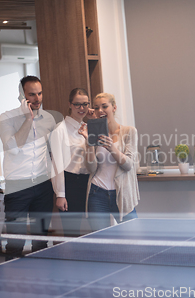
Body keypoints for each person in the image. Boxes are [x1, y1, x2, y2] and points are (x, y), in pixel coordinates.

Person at [0, 76, 56, 259]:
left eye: (39, 93)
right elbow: (13, 148)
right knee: (15, 241)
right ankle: (12, 284)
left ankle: (43, 283)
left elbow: (55, 151)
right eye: (32, 94)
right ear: (22, 96)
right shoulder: (7, 118)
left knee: (41, 241)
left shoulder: (49, 119)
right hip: (17, 186)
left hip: (43, 185)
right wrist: (28, 119)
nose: (37, 98)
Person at [80, 93, 140, 231]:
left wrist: (112, 148)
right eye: (96, 108)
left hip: (122, 193)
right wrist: (89, 142)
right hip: (97, 193)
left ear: (114, 108)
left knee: (133, 238)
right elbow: (91, 168)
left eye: (104, 106)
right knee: (101, 241)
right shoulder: (94, 133)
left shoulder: (129, 131)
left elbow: (129, 165)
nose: (100, 110)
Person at [50, 88, 95, 236]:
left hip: (88, 183)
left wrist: (94, 118)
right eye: (77, 104)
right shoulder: (60, 130)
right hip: (70, 184)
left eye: (85, 104)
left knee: (92, 231)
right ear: (70, 104)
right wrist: (60, 194)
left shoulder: (88, 127)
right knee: (73, 233)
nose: (82, 108)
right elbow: (57, 165)